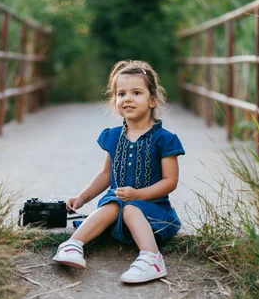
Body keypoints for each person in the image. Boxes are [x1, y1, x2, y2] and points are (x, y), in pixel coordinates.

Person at [52, 59, 185, 283]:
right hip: (119, 210)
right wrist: (82, 198)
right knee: (112, 202)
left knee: (131, 207)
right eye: (121, 94)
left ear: (152, 100)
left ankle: (152, 258)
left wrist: (138, 195)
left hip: (152, 212)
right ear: (115, 100)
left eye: (136, 93)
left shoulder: (165, 139)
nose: (128, 99)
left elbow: (170, 181)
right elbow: (106, 175)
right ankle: (73, 245)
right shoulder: (113, 136)